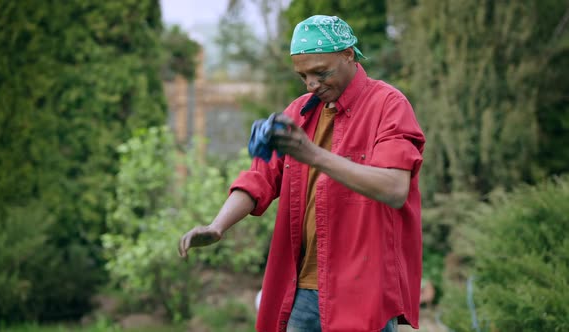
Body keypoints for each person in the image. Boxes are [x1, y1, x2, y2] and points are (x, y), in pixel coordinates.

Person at [179, 15, 425, 332]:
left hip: (361, 291)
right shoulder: (299, 112)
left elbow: (394, 187)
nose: (311, 84)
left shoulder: (388, 105)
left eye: (321, 73)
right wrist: (218, 225)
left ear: (348, 54)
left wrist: (313, 155)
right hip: (302, 291)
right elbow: (260, 177)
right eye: (303, 75)